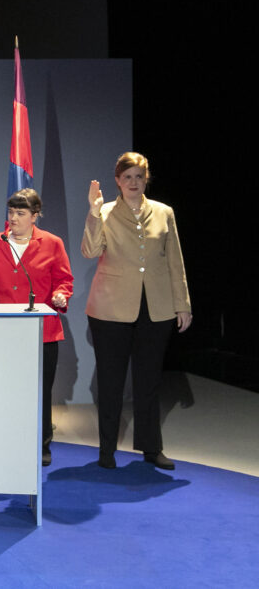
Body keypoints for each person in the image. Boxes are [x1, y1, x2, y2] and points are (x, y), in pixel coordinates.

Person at [82, 152, 191, 470]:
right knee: (111, 382)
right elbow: (89, 251)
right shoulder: (104, 211)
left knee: (149, 381)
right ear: (117, 180)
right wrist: (92, 213)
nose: (133, 182)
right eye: (127, 177)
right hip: (110, 310)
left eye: (139, 177)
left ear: (147, 180)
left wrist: (182, 304)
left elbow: (175, 261)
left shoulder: (164, 212)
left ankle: (151, 447)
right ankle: (106, 451)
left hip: (155, 309)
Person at [0, 189, 74, 466]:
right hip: (2, 331)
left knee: (40, 391)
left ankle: (41, 445)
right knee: (4, 390)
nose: (13, 218)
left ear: (35, 216)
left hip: (42, 332)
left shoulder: (52, 243)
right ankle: (3, 440)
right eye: (11, 212)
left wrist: (61, 295)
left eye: (20, 213)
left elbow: (64, 280)